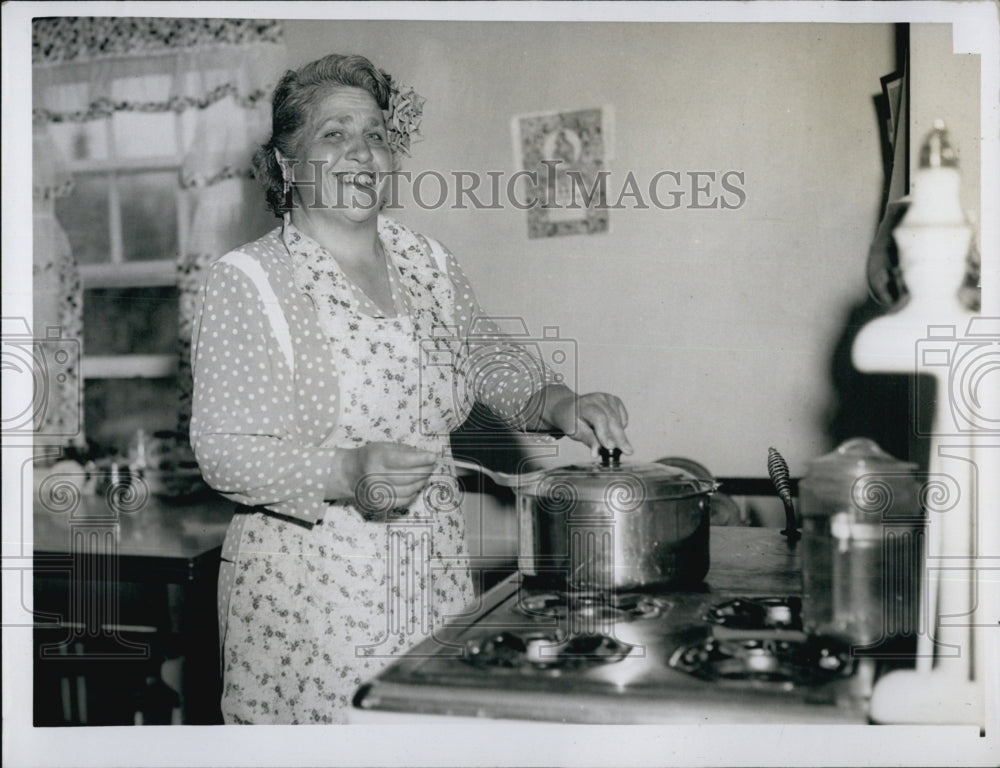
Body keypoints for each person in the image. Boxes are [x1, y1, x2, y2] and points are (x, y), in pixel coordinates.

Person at [190, 53, 631, 724]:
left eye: (374, 133)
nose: (361, 151)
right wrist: (346, 469)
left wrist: (559, 404)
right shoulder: (248, 280)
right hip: (311, 597)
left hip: (432, 571)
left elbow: (485, 356)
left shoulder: (427, 262)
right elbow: (223, 450)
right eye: (333, 134)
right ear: (287, 163)